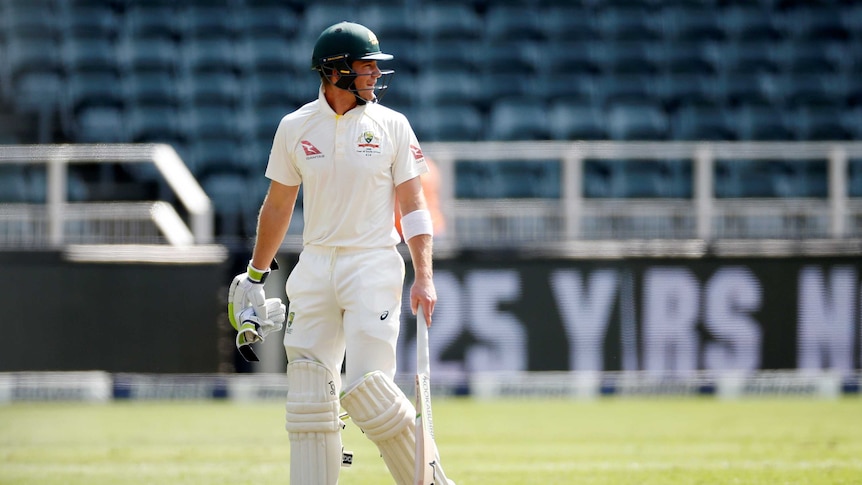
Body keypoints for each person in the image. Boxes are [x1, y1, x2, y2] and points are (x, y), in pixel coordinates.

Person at [227, 21, 453, 485]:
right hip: (315, 264)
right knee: (309, 391)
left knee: (369, 389)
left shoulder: (392, 125)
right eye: (365, 65)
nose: (374, 73)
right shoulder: (295, 127)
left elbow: (413, 206)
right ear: (334, 71)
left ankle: (431, 482)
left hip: (371, 263)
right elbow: (278, 206)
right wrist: (254, 275)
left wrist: (423, 275)